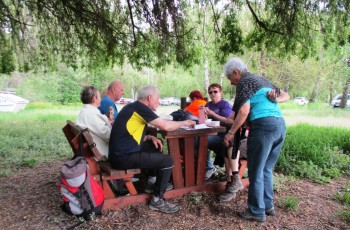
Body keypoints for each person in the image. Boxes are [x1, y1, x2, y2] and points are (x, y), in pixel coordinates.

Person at [108, 85, 196, 214]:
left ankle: (152, 182)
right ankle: (157, 200)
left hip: (120, 153)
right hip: (123, 157)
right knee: (168, 161)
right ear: (149, 97)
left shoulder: (134, 107)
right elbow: (165, 125)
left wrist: (149, 137)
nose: (159, 102)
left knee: (155, 145)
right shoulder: (140, 108)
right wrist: (185, 122)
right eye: (157, 99)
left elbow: (129, 132)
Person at [223, 57, 290, 222]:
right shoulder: (262, 79)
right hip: (279, 125)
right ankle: (268, 206)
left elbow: (243, 112)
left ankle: (256, 211)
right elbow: (286, 95)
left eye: (230, 79)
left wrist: (231, 133)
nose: (231, 83)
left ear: (236, 72)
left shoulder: (244, 83)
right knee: (266, 169)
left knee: (256, 171)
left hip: (263, 127)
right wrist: (276, 99)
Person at [204, 83, 233, 180]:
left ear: (220, 92)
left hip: (224, 136)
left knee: (202, 142)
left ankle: (209, 168)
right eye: (210, 92)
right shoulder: (208, 104)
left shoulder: (225, 104)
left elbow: (228, 121)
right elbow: (205, 120)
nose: (213, 94)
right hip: (211, 133)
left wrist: (213, 114)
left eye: (215, 91)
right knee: (195, 140)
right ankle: (205, 167)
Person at [76, 86, 111, 158]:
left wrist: (108, 121)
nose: (101, 98)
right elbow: (108, 135)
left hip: (90, 149)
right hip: (100, 152)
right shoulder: (90, 114)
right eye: (99, 96)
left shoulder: (85, 111)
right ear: (95, 98)